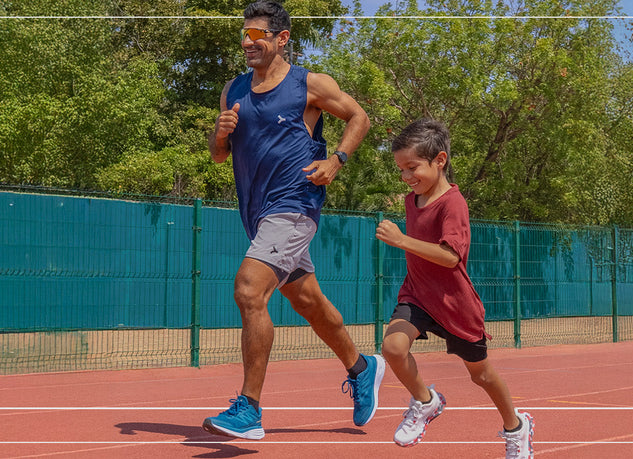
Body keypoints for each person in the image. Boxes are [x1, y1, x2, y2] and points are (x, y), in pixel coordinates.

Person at [202, 1, 383, 440]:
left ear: (281, 38)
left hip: (295, 204)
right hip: (257, 212)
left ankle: (249, 409)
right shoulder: (233, 89)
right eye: (244, 34)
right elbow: (219, 156)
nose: (248, 42)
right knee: (308, 302)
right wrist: (219, 134)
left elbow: (359, 117)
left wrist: (336, 160)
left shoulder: (309, 84)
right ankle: (362, 368)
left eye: (257, 34)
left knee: (249, 290)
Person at [375, 118, 534, 458]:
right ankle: (426, 402)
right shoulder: (412, 200)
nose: (406, 176)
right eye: (401, 169)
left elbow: (450, 257)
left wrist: (401, 240)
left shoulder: (453, 204)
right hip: (418, 295)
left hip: (455, 306)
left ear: (440, 160)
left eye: (412, 167)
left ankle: (516, 427)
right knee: (393, 348)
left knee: (482, 376)